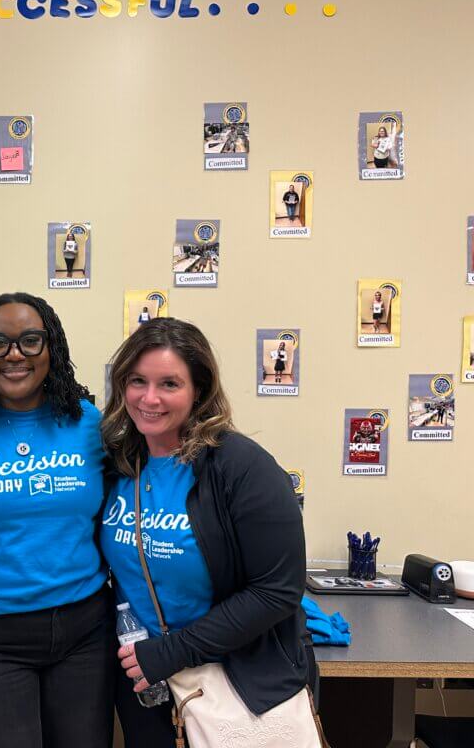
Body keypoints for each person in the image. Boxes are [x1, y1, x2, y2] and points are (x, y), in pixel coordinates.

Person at [100, 318, 311, 747]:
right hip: (145, 678)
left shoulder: (243, 467)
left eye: (170, 384)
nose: (150, 398)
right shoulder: (120, 463)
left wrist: (172, 652)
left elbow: (277, 590)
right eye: (137, 381)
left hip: (234, 680)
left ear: (199, 389)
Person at [0, 292, 113, 748]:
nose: (14, 354)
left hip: (84, 632)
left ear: (53, 349)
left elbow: (106, 516)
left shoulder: (87, 422)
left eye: (31, 341)